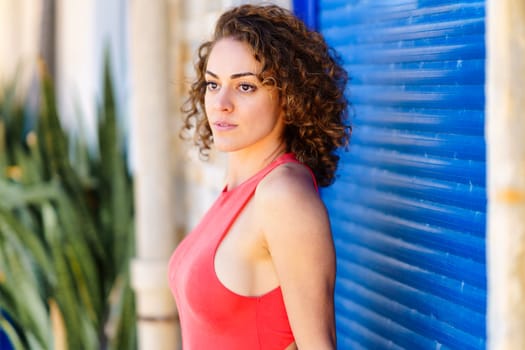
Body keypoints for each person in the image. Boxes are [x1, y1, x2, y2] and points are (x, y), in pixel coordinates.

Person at [169, 4, 349, 349]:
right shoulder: (237, 191)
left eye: (245, 87)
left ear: (289, 97)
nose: (221, 103)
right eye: (212, 84)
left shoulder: (283, 196)